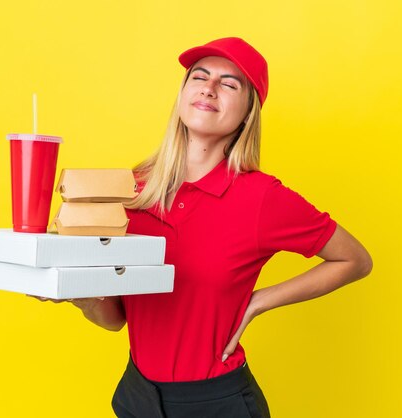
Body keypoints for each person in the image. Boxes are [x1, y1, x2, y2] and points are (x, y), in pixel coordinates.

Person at [32, 37, 373, 417]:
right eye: (200, 76)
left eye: (229, 84)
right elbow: (115, 319)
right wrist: (78, 295)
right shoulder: (133, 190)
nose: (209, 88)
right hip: (138, 397)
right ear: (182, 95)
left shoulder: (262, 198)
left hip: (216, 403)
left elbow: (355, 260)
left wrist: (257, 302)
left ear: (248, 112)